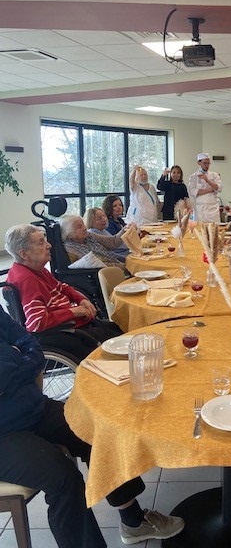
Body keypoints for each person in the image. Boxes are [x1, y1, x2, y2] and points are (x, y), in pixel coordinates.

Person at [0, 307, 185, 548]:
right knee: (64, 479)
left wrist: (11, 361)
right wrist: (15, 354)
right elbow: (19, 357)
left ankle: (133, 521)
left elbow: (34, 348)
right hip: (4, 435)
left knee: (98, 431)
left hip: (34, 407)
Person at [5, 224, 122, 360]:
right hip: (65, 332)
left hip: (74, 325)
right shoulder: (26, 280)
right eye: (41, 243)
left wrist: (81, 299)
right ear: (24, 254)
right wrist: (74, 312)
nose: (49, 245)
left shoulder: (36, 269)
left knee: (120, 327)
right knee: (121, 341)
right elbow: (36, 322)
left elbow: (62, 287)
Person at [59, 215, 126, 269]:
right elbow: (100, 264)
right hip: (100, 274)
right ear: (69, 234)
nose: (84, 228)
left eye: (83, 224)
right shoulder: (70, 250)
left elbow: (112, 242)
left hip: (115, 266)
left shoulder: (88, 235)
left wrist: (125, 229)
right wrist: (124, 266)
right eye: (79, 227)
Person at [188, 153, 223, 222]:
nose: (207, 165)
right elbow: (193, 192)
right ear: (199, 163)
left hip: (213, 208)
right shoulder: (193, 177)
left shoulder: (215, 175)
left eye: (208, 163)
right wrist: (211, 189)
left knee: (214, 227)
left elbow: (219, 188)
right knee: (200, 227)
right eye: (204, 163)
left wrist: (208, 181)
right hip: (200, 208)